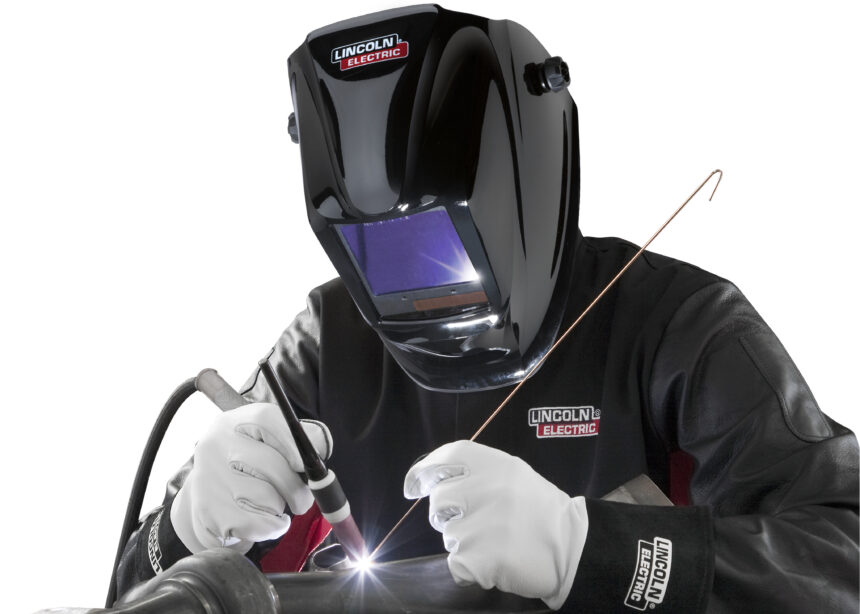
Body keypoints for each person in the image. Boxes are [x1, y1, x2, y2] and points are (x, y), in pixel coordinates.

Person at [115, 5, 859, 612]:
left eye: (441, 242)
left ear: (520, 199)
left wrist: (588, 550)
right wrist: (184, 532)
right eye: (375, 251)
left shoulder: (679, 327)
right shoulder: (325, 344)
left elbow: (842, 558)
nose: (417, 284)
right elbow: (135, 597)